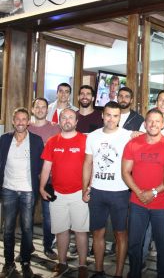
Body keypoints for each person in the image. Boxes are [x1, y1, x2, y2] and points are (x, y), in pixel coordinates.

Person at [82, 101, 132, 278]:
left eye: (115, 116)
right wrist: (84, 187)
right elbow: (88, 163)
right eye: (108, 115)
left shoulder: (128, 135)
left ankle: (118, 273)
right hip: (97, 191)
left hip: (120, 192)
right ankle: (98, 270)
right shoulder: (93, 136)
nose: (111, 119)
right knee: (97, 232)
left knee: (120, 234)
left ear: (120, 117)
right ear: (103, 115)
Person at [122, 109, 164, 278]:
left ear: (163, 124)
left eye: (157, 121)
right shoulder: (133, 144)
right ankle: (134, 273)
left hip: (163, 204)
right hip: (137, 203)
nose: (153, 124)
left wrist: (153, 192)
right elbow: (125, 172)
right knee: (134, 244)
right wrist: (139, 192)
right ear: (144, 124)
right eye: (150, 121)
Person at [39, 109, 89, 278]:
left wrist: (89, 187)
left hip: (79, 194)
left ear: (76, 122)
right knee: (61, 231)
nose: (67, 120)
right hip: (58, 194)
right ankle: (62, 263)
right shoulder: (52, 141)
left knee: (81, 231)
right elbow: (46, 167)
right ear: (59, 121)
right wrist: (41, 187)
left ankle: (82, 265)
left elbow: (92, 166)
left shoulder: (85, 140)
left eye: (70, 118)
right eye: (63, 117)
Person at [0, 108, 44, 278]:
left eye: (24, 119)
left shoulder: (36, 140)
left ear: (28, 122)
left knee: (27, 228)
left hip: (28, 191)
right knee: (8, 229)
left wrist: (42, 186)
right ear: (13, 121)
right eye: (17, 119)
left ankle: (25, 261)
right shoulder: (4, 140)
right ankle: (9, 262)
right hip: (8, 189)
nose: (20, 122)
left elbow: (41, 166)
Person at [28, 97, 61, 261]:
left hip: (50, 179)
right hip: (29, 178)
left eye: (43, 107)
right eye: (37, 107)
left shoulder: (55, 128)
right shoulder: (25, 127)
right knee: (28, 214)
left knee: (49, 217)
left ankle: (48, 246)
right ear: (33, 109)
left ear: (47, 110)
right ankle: (28, 246)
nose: (40, 109)